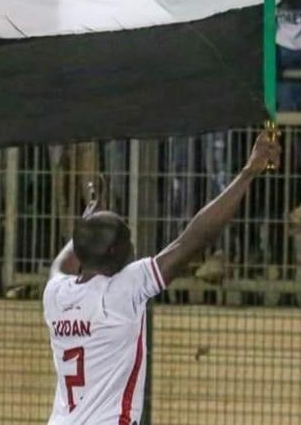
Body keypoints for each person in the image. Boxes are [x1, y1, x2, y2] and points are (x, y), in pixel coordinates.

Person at [43, 130, 280, 425]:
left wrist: (90, 211)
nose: (134, 247)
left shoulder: (56, 294)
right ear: (117, 252)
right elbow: (192, 240)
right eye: (129, 241)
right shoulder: (121, 290)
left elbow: (65, 259)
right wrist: (247, 173)